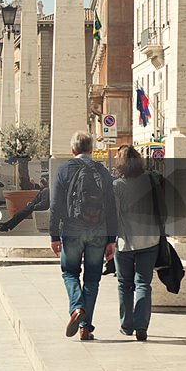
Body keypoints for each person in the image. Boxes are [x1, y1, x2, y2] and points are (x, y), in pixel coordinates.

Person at [48, 131, 117, 341]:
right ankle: (85, 328)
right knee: (93, 278)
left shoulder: (64, 170)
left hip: (72, 229)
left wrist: (54, 236)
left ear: (73, 150)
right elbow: (112, 207)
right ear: (91, 149)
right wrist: (112, 238)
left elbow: (56, 206)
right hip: (98, 230)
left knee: (69, 272)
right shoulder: (102, 171)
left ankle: (76, 307)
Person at [113, 145, 164, 341]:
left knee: (124, 284)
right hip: (150, 241)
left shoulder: (117, 186)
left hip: (125, 243)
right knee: (143, 283)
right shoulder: (151, 180)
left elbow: (114, 217)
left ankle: (127, 325)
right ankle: (141, 326)